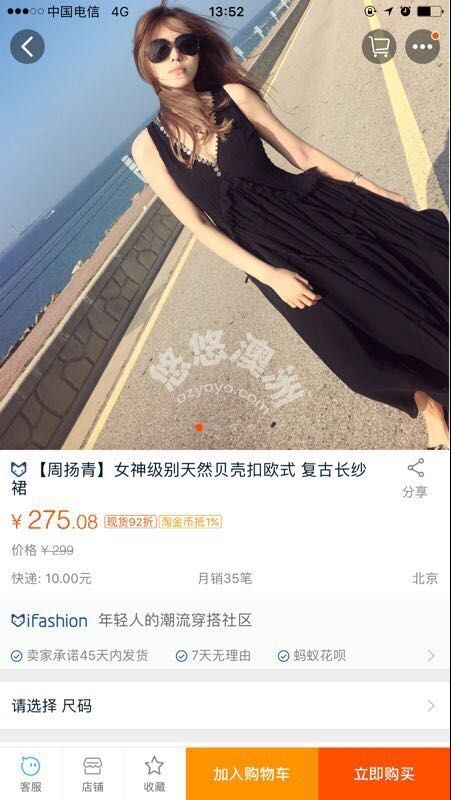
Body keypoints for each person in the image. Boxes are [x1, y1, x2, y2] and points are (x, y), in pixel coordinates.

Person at [132, 2, 449, 449]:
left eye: (185, 44)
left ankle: (434, 403)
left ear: (199, 49)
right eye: (159, 50)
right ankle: (424, 401)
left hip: (318, 217)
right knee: (354, 363)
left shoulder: (234, 97)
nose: (175, 56)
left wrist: (373, 188)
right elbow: (200, 227)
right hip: (270, 258)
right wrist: (270, 275)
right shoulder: (149, 148)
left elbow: (301, 154)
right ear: (144, 63)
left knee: (392, 307)